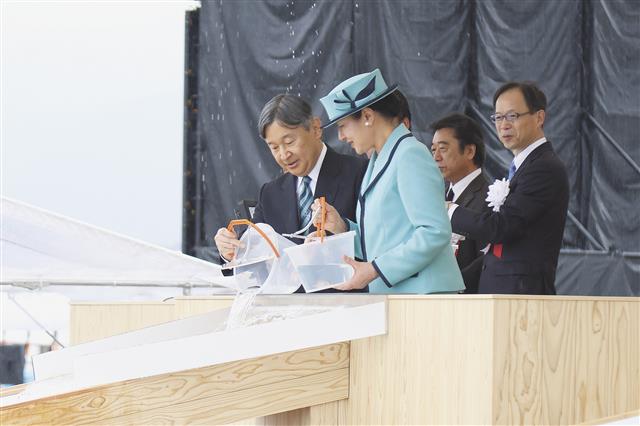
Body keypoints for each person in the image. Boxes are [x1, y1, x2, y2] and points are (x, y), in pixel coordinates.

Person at [315, 69, 464, 294]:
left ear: (367, 116)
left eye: (342, 126)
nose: (341, 137)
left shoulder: (410, 154)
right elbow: (385, 239)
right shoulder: (380, 160)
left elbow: (434, 232)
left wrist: (375, 269)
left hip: (425, 296)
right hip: (401, 296)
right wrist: (342, 227)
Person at [213, 94, 368, 292]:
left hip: (349, 304)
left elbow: (379, 246)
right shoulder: (270, 193)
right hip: (287, 307)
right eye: (274, 147)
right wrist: (229, 251)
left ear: (315, 128)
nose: (284, 155)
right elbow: (252, 262)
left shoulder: (359, 173)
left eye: (290, 141)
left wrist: (343, 230)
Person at [448, 81, 569, 294]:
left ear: (539, 117)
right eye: (498, 117)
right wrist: (452, 283)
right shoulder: (525, 166)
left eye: (512, 116)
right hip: (504, 293)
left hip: (521, 296)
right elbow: (500, 251)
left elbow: (501, 227)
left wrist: (450, 210)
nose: (503, 125)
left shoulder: (543, 168)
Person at [430, 113, 490, 293]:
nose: (436, 157)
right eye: (433, 150)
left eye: (443, 148)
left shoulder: (489, 198)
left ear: (470, 151)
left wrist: (449, 287)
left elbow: (485, 262)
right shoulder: (438, 196)